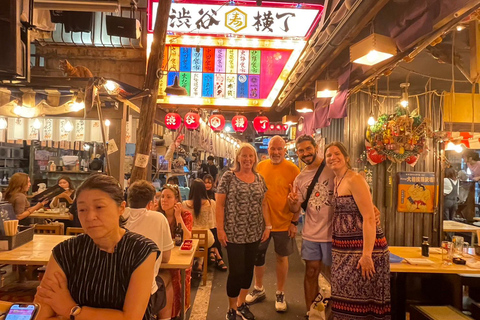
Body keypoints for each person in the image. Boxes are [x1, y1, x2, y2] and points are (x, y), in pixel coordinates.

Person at [34, 174, 159, 320]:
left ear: (121, 208)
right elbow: (43, 311)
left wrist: (70, 309)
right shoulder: (65, 251)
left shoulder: (141, 250)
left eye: (99, 207)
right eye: (82, 210)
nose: (90, 216)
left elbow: (131, 317)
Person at [324, 141, 390, 319]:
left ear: (346, 157)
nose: (332, 157)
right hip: (343, 251)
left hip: (363, 249)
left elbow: (369, 217)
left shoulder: (355, 179)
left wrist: (367, 255)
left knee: (363, 304)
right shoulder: (337, 180)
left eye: (336, 153)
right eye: (328, 155)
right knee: (344, 301)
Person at [216, 143, 271, 320]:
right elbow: (220, 205)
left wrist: (268, 226)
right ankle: (231, 308)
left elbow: (264, 203)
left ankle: (241, 304)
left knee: (248, 270)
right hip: (233, 232)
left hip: (254, 231)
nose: (247, 159)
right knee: (236, 271)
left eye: (251, 156)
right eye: (244, 155)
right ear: (238, 158)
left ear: (255, 159)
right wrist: (220, 229)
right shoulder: (229, 177)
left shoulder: (259, 178)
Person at [246, 136, 300, 312]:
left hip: (284, 222)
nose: (276, 152)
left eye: (280, 149)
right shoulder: (260, 167)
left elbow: (298, 198)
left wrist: (294, 222)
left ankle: (280, 292)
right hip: (261, 223)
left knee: (281, 257)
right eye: (273, 148)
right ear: (267, 150)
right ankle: (259, 288)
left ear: (285, 150)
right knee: (257, 256)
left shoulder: (293, 169)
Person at [287, 135, 335, 318]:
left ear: (316, 147)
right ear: (297, 152)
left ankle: (337, 313)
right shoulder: (300, 178)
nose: (305, 153)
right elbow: (295, 208)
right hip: (311, 233)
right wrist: (291, 202)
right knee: (311, 272)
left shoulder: (332, 168)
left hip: (334, 233)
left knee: (336, 276)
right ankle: (312, 313)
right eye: (301, 151)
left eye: (308, 149)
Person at [124, 180, 175, 319]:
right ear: (151, 203)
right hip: (145, 291)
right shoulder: (158, 218)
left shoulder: (119, 216)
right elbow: (165, 258)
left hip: (117, 287)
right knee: (167, 278)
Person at [157, 184, 193, 319]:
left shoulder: (185, 214)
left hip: (179, 255)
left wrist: (178, 217)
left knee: (177, 273)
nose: (164, 200)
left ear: (176, 200)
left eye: (168, 197)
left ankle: (177, 311)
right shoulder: (158, 215)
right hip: (164, 255)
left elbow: (188, 237)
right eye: (162, 197)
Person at [183, 179, 227, 272]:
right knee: (209, 235)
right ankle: (202, 262)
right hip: (206, 238)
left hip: (189, 237)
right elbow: (212, 224)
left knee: (197, 239)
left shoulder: (185, 204)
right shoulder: (211, 203)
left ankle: (198, 263)